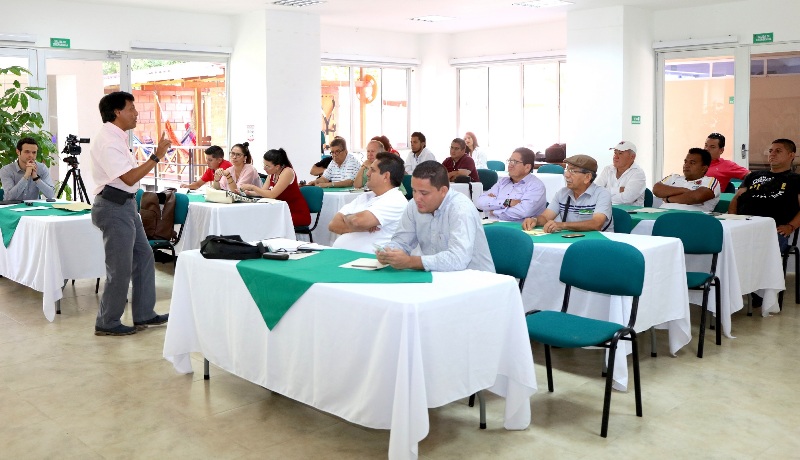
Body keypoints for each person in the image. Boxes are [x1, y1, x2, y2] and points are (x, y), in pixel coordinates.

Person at [89, 91, 170, 336]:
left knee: (144, 256)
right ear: (117, 112)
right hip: (113, 207)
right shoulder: (108, 140)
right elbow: (129, 177)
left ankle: (144, 313)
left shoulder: (117, 137)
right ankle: (107, 321)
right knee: (120, 267)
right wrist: (156, 156)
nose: (136, 113)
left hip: (125, 205)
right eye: (131, 109)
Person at [376, 161, 495, 272]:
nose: (417, 198)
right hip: (438, 276)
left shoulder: (460, 208)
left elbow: (458, 259)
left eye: (424, 193)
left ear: (443, 191)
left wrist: (410, 262)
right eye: (414, 191)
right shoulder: (414, 205)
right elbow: (401, 241)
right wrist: (389, 253)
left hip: (476, 279)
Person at [729, 138, 800, 254]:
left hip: (772, 230)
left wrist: (790, 226)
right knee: (722, 242)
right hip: (743, 225)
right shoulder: (753, 176)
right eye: (770, 151)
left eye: (778, 151)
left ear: (791, 155)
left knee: (756, 252)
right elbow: (736, 199)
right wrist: (732, 220)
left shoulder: (796, 180)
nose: (772, 154)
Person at [329, 152, 408, 253]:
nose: (367, 173)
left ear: (386, 176)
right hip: (346, 256)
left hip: (368, 259)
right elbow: (333, 224)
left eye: (372, 170)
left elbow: (357, 221)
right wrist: (361, 228)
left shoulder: (395, 199)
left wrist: (347, 219)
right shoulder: (366, 196)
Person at [522, 154, 613, 233]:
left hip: (598, 242)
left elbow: (596, 224)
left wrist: (562, 225)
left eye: (572, 171)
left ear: (587, 177)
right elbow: (546, 217)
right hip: (570, 239)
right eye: (567, 169)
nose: (566, 175)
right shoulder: (562, 193)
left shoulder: (602, 194)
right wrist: (535, 220)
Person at [240, 148, 311, 226]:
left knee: (266, 222)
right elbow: (263, 192)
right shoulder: (272, 174)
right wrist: (247, 193)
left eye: (267, 166)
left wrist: (252, 187)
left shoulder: (287, 172)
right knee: (259, 219)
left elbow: (272, 194)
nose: (264, 168)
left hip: (295, 213)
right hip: (282, 211)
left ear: (277, 166)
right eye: (264, 164)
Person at [476, 147, 546, 221]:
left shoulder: (536, 186)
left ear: (527, 167)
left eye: (515, 162)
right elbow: (480, 202)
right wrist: (508, 202)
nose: (510, 165)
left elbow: (523, 212)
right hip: (492, 224)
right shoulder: (503, 182)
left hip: (517, 227)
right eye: (510, 161)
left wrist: (493, 211)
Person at [653, 148, 720, 212]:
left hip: (691, 217)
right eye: (685, 162)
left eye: (692, 163)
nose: (686, 165)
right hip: (663, 215)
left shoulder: (710, 181)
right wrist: (683, 190)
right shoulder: (673, 177)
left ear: (704, 168)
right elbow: (656, 189)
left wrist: (668, 199)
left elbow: (696, 197)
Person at [595, 140, 647, 206]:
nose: (615, 157)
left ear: (632, 157)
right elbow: (595, 191)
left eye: (620, 153)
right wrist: (619, 190)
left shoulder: (638, 173)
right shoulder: (608, 169)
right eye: (615, 153)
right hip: (605, 209)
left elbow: (627, 199)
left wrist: (602, 195)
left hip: (628, 212)